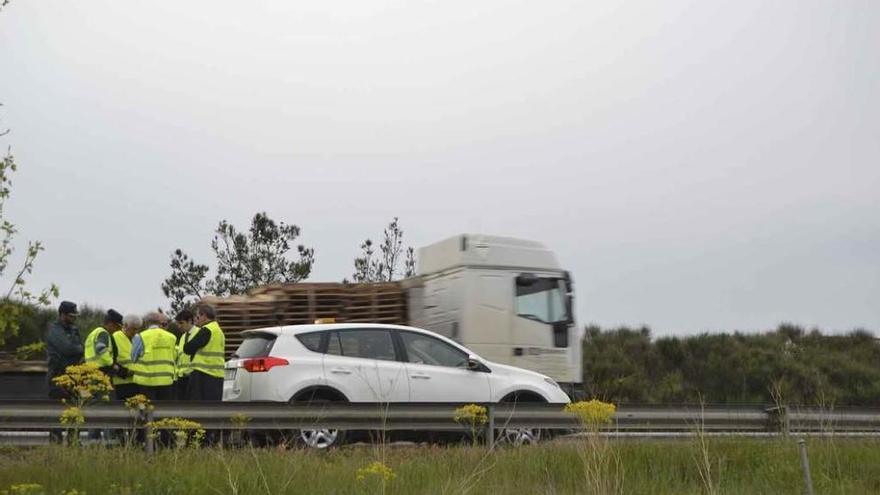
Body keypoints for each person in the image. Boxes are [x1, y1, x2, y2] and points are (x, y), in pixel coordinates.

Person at [46, 301, 83, 444]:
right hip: (57, 376)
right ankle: (56, 444)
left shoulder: (73, 329)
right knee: (57, 413)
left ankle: (74, 443)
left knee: (75, 412)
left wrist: (76, 349)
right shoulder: (54, 330)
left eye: (75, 316)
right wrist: (77, 349)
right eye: (71, 316)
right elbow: (67, 349)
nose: (74, 319)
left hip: (73, 376)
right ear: (62, 314)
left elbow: (80, 349)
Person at [130, 312, 177, 400]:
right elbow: (174, 356)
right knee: (165, 410)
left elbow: (133, 358)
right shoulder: (171, 337)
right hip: (166, 380)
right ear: (159, 323)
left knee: (148, 410)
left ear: (146, 323)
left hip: (146, 382)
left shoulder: (140, 337)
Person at [184, 304, 225, 401]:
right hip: (217, 375)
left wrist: (187, 337)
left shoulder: (206, 330)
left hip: (203, 374)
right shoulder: (219, 331)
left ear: (204, 316)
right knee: (212, 407)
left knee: (198, 406)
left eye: (198, 317)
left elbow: (188, 348)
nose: (197, 320)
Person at [111, 314, 142, 402]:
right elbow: (110, 359)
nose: (136, 331)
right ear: (125, 325)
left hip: (137, 382)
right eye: (134, 329)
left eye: (138, 329)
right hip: (121, 383)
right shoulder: (115, 337)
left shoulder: (137, 338)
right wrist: (123, 371)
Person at [173, 309, 198, 400]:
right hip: (181, 378)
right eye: (178, 324)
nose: (179, 326)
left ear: (190, 321)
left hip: (193, 377)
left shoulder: (199, 333)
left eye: (181, 323)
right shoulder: (183, 337)